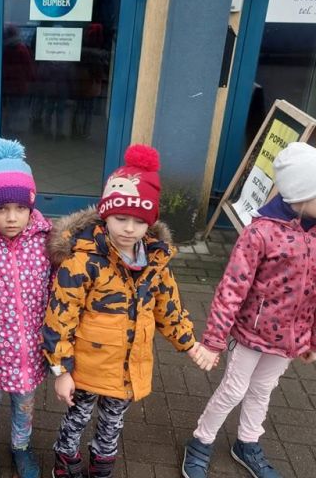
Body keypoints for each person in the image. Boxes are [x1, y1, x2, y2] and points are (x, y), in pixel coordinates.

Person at [182, 142, 316, 478]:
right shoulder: (260, 233)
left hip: (289, 339)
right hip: (251, 334)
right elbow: (232, 288)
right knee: (233, 389)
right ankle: (201, 441)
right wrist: (213, 341)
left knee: (263, 389)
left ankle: (247, 442)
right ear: (303, 191)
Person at [42, 144, 207, 478]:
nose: (129, 228)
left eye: (139, 221)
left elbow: (169, 308)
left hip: (128, 367)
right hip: (86, 367)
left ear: (150, 223)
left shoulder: (155, 261)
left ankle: (102, 466)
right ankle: (66, 461)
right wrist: (61, 371)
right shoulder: (83, 259)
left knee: (112, 422)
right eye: (121, 218)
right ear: (106, 214)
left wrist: (190, 344)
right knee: (77, 418)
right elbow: (60, 317)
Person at [0, 139, 52, 478]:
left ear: (31, 205)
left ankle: (22, 446)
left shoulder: (47, 241)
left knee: (25, 406)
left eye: (20, 208)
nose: (11, 217)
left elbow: (57, 291)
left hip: (29, 349)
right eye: (1, 208)